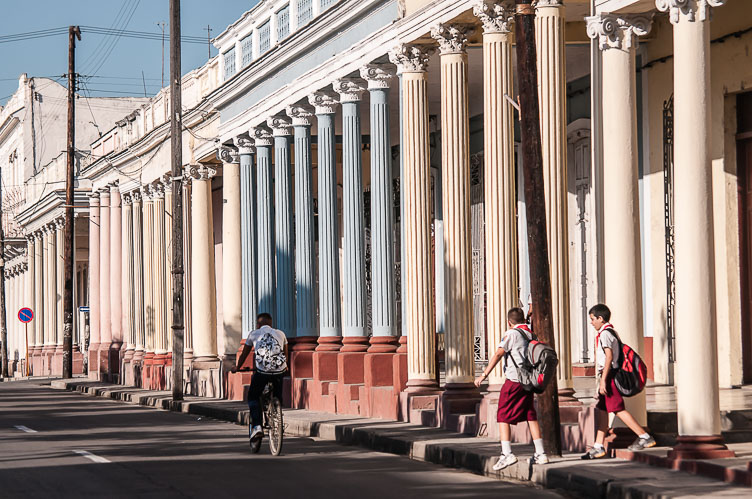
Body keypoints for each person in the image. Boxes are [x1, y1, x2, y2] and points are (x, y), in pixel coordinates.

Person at [475, 307, 549, 470]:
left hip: (514, 380)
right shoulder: (531, 334)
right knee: (530, 414)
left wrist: (484, 375)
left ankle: (507, 454)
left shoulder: (511, 334)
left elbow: (498, 354)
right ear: (523, 319)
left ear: (509, 322)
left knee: (502, 414)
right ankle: (541, 453)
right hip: (528, 381)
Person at [581, 303, 655, 459]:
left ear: (600, 318)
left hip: (610, 375)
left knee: (617, 408)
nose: (591, 322)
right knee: (602, 409)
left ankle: (644, 436)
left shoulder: (606, 334)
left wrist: (603, 381)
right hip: (608, 375)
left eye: (593, 319)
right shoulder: (609, 332)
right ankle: (598, 446)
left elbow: (609, 357)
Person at [232, 312, 288, 443]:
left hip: (262, 372)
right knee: (277, 394)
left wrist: (237, 367)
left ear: (258, 324)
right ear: (271, 323)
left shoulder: (253, 334)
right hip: (279, 371)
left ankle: (257, 426)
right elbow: (285, 353)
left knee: (253, 397)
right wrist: (286, 367)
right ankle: (277, 412)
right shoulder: (281, 334)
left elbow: (244, 354)